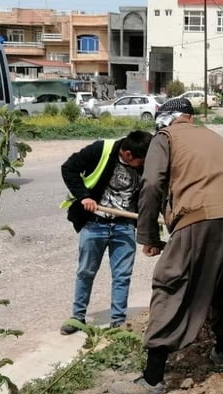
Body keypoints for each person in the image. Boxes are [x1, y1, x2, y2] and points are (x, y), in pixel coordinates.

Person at [109, 97, 223, 394]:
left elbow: (151, 185)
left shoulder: (166, 137)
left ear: (168, 119)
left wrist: (148, 235)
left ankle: (151, 381)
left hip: (199, 219)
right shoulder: (217, 138)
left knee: (171, 285)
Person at [59, 129, 153, 335]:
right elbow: (68, 169)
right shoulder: (101, 150)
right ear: (128, 154)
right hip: (94, 224)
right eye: (142, 161)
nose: (145, 164)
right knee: (86, 272)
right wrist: (84, 197)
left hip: (125, 225)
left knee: (122, 276)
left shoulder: (149, 163)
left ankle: (117, 322)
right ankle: (77, 317)